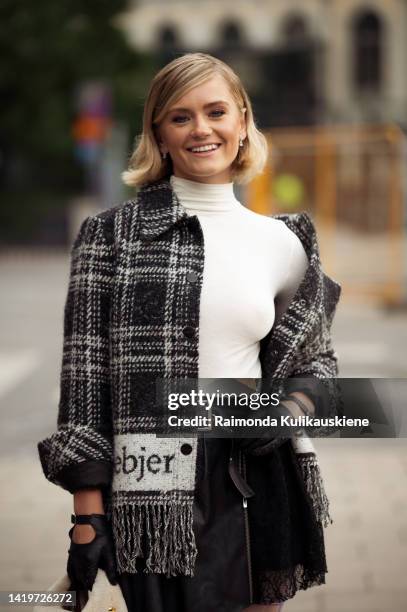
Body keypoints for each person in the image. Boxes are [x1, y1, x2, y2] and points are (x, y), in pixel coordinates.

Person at [38, 52, 342, 612]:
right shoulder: (109, 236)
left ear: (243, 121)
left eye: (216, 111)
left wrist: (289, 412)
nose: (201, 129)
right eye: (180, 117)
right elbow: (83, 388)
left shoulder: (286, 241)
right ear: (158, 133)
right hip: (153, 488)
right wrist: (86, 516)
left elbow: (317, 365)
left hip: (259, 473)